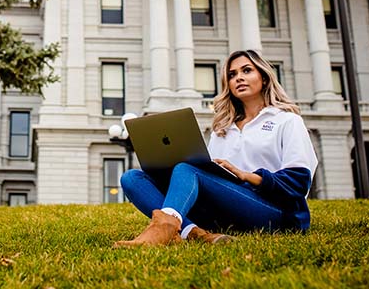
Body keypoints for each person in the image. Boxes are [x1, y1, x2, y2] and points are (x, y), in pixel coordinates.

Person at [114, 49, 318, 247]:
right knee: (132, 178)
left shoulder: (287, 121)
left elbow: (298, 183)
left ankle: (165, 228)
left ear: (264, 78)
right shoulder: (222, 129)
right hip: (225, 211)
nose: (238, 78)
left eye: (246, 70)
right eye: (232, 74)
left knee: (186, 170)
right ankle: (195, 233)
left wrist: (246, 176)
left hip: (275, 211)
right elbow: (210, 177)